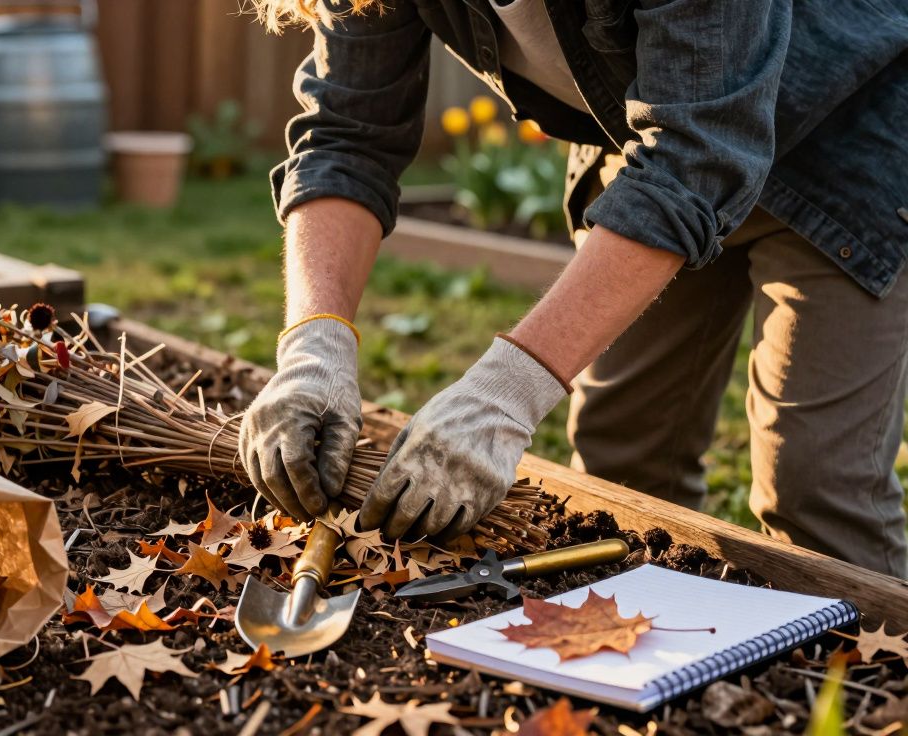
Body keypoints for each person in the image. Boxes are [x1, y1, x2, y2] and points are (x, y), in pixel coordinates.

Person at [237, 0, 908, 576]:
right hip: (649, 147)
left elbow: (701, 155)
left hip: (847, 144)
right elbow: (348, 135)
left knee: (816, 488)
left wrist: (506, 392)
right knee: (624, 464)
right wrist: (313, 345)